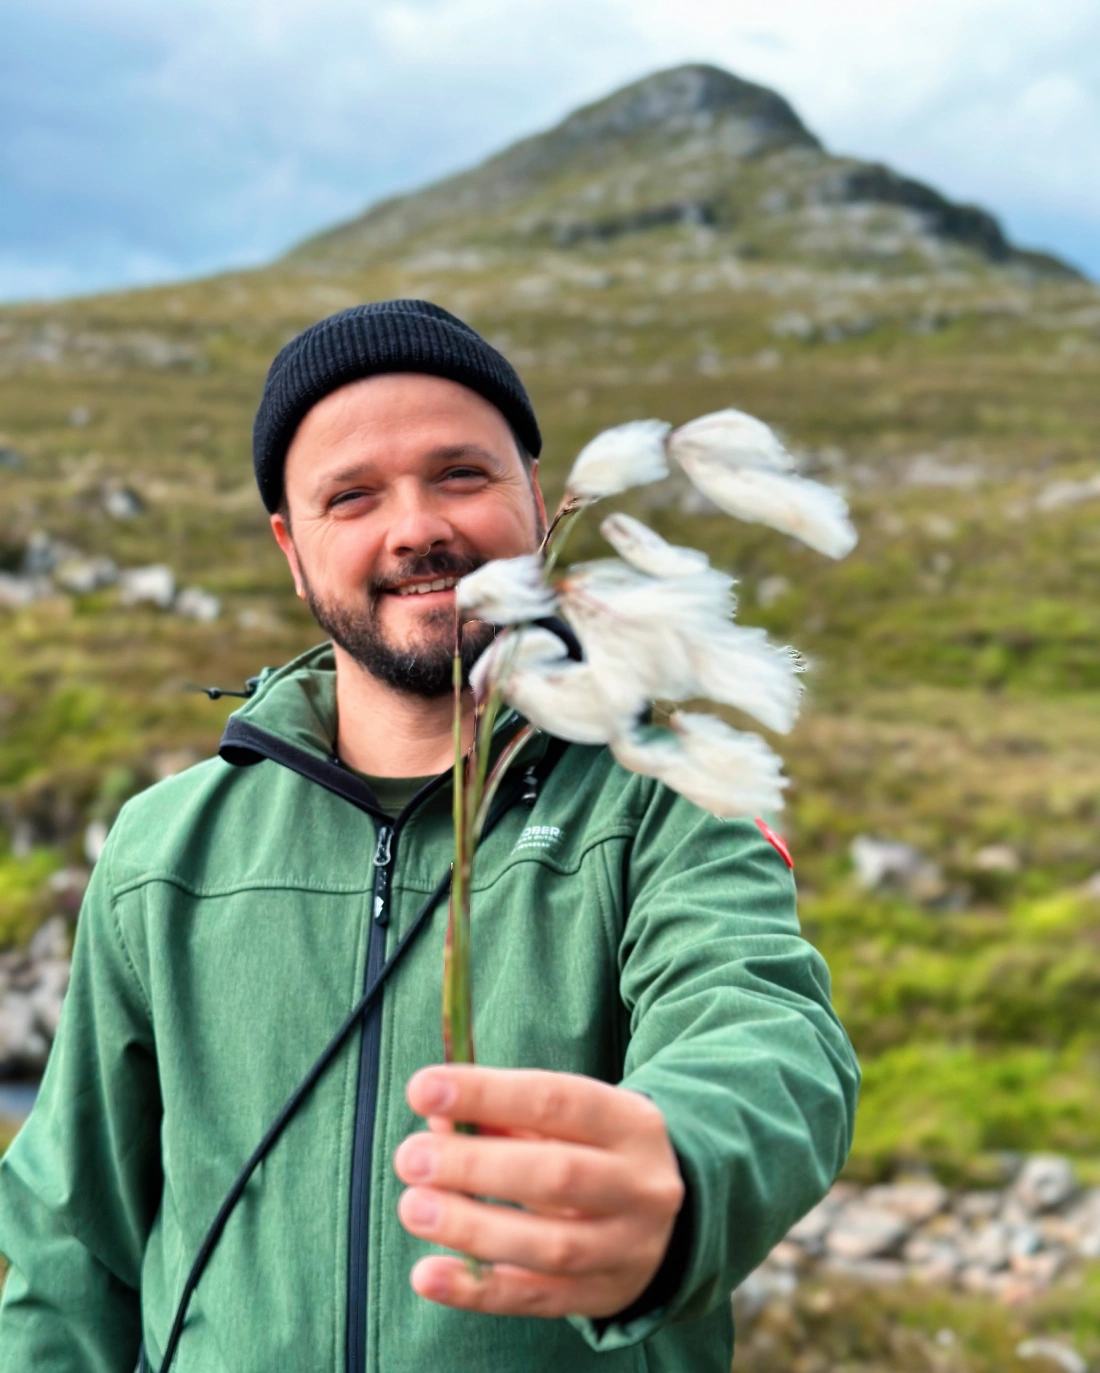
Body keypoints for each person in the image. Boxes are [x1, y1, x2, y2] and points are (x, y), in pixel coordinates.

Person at [0, 300, 859, 1372]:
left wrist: (682, 1165)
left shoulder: (661, 794)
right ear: (292, 551)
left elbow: (769, 1032)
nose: (415, 528)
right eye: (351, 495)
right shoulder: (163, 851)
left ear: (536, 502)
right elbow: (67, 1245)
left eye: (460, 474)